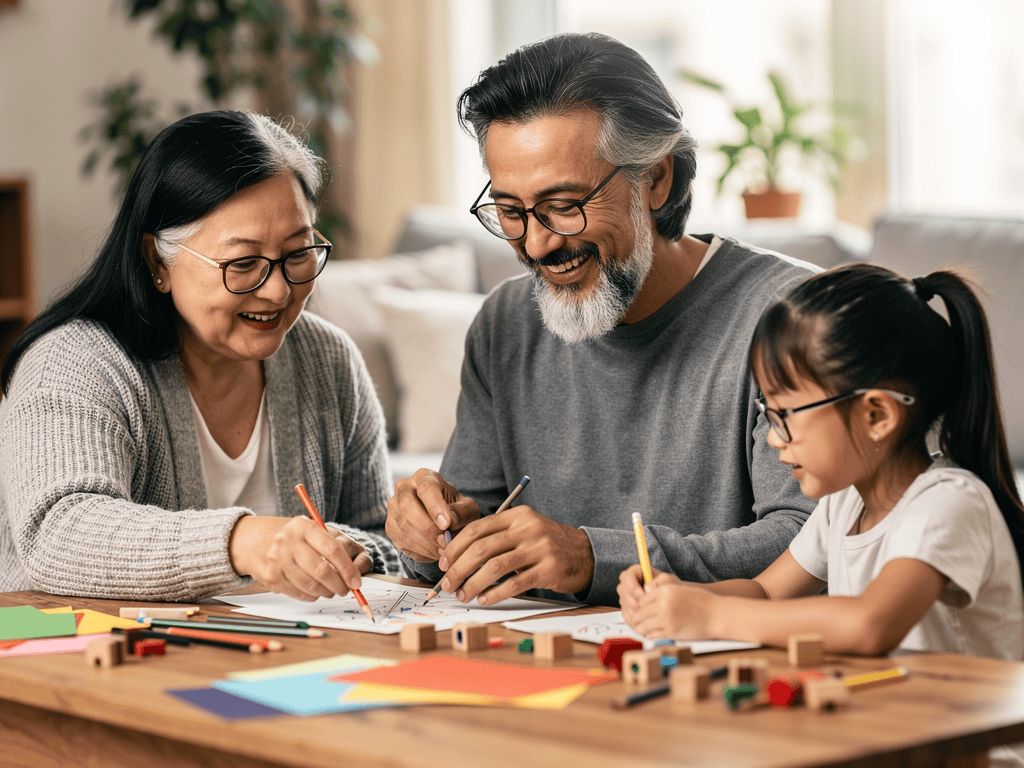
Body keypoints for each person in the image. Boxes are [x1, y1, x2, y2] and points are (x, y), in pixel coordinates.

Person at [386, 32, 818, 607]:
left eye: (564, 206)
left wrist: (592, 557)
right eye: (511, 211)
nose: (536, 244)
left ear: (656, 179)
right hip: (544, 672)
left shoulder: (794, 315)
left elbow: (814, 541)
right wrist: (432, 533)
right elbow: (468, 540)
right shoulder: (505, 323)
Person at [0, 110, 402, 601]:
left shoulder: (327, 358)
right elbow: (58, 535)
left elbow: (380, 539)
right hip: (76, 658)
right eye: (243, 263)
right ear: (157, 261)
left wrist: (354, 549)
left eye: (298, 253)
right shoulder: (75, 362)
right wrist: (244, 542)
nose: (277, 291)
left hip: (274, 658)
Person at [618, 263, 1024, 661]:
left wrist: (708, 615)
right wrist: (674, 597)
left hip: (974, 727)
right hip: (899, 715)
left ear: (876, 416)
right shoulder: (845, 503)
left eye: (785, 416)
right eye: (768, 413)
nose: (774, 438)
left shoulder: (948, 504)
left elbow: (869, 625)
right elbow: (766, 593)